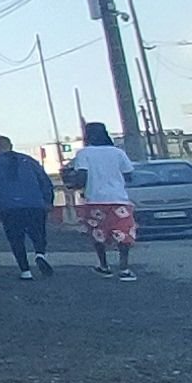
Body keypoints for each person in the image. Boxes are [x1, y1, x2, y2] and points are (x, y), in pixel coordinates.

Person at [65, 120, 140, 280]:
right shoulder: (118, 152)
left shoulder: (84, 154)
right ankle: (124, 268)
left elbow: (82, 176)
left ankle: (104, 265)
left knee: (98, 233)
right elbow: (129, 175)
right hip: (119, 199)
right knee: (123, 233)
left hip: (95, 199)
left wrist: (75, 185)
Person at [0, 134, 57, 277]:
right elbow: (45, 181)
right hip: (34, 203)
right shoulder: (29, 161)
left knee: (16, 238)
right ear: (11, 145)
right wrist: (48, 201)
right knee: (38, 233)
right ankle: (40, 254)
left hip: (9, 206)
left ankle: (25, 270)